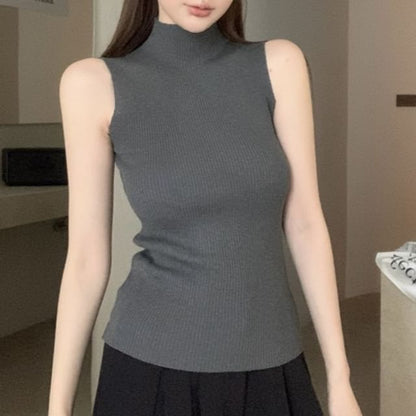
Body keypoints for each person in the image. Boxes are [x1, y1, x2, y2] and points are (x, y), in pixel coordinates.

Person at [48, 1, 363, 415]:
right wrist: (57, 409)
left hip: (271, 359)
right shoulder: (91, 84)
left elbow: (305, 222)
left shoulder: (280, 64)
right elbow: (85, 259)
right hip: (149, 369)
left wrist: (340, 378)